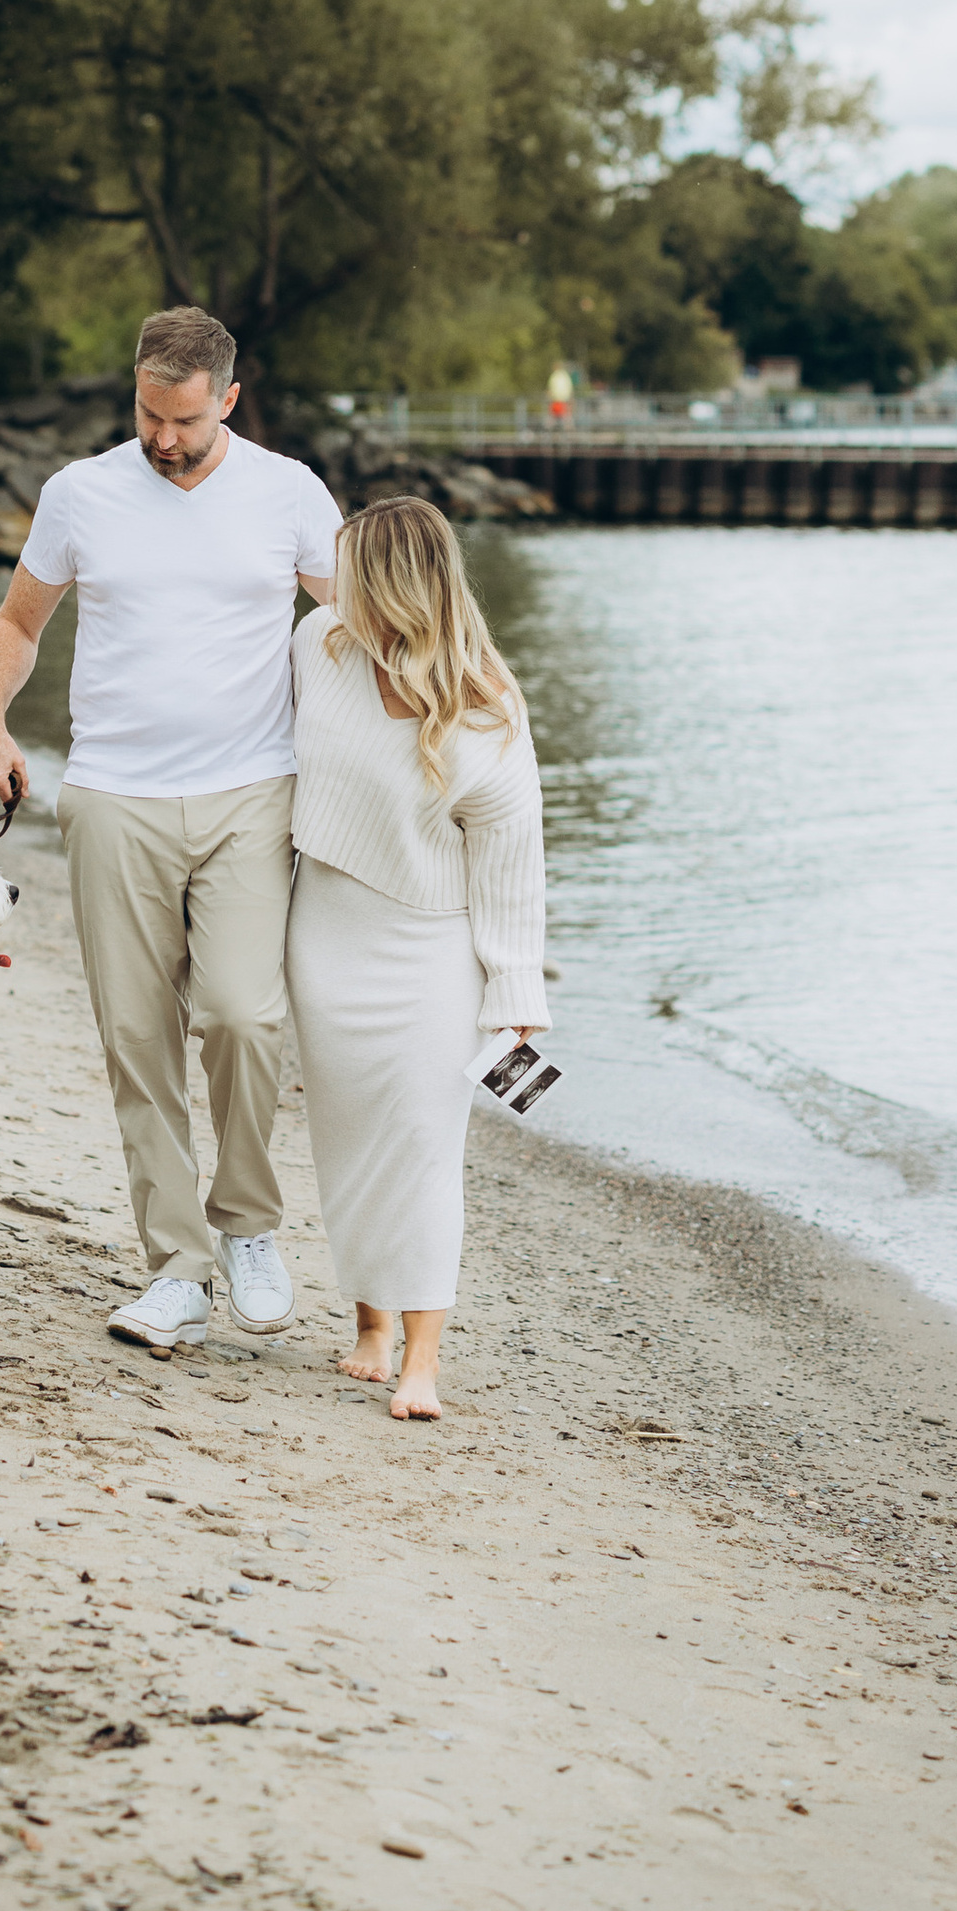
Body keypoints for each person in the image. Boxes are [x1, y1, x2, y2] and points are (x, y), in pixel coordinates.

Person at [0, 306, 343, 1358]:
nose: (163, 439)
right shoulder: (79, 493)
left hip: (252, 792)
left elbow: (363, 622)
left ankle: (248, 1226)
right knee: (137, 1040)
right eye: (147, 415)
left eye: (183, 420)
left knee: (242, 1017)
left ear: (229, 399)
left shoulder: (289, 492)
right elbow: (18, 623)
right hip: (113, 795)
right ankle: (176, 1269)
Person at [284, 495, 547, 1420]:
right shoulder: (319, 646)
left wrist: (516, 1000)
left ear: (396, 584)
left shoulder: (488, 708)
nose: (335, 587)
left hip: (432, 952)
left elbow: (512, 870)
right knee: (348, 1143)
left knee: (426, 1149)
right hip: (325, 935)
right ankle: (371, 1328)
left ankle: (422, 1362)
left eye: (352, 572)